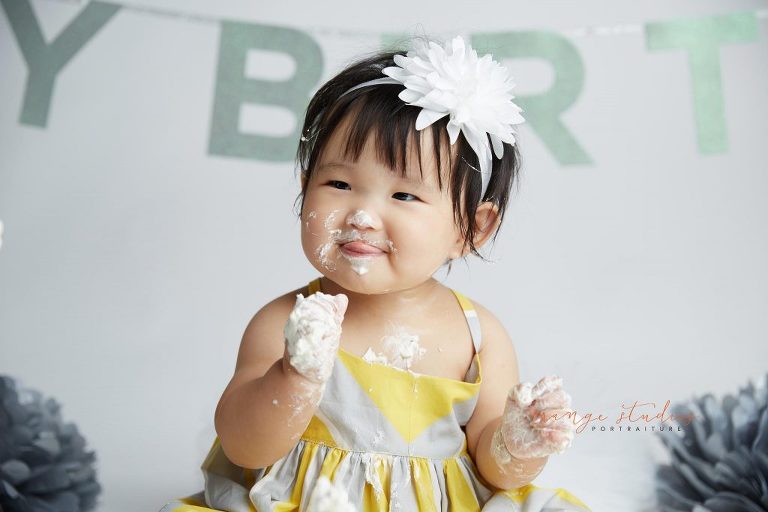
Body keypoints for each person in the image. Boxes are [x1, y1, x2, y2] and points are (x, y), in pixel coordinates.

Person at [160, 36, 590, 512]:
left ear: (472, 228)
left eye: (404, 195)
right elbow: (244, 447)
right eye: (339, 183)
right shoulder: (285, 322)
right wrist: (294, 377)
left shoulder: (477, 337)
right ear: (305, 188)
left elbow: (494, 470)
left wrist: (517, 443)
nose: (362, 215)